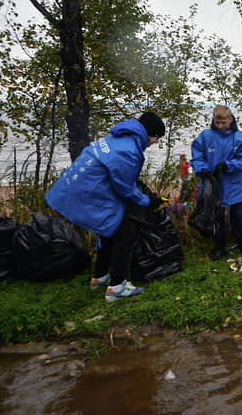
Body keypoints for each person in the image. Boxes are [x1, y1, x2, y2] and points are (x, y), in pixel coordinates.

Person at [45, 112, 166, 301]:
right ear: (150, 133)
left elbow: (120, 176)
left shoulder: (120, 138)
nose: (155, 142)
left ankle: (100, 277)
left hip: (81, 186)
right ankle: (116, 287)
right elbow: (125, 189)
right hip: (88, 190)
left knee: (109, 228)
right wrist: (148, 201)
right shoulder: (129, 150)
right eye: (157, 138)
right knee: (126, 230)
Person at [191, 105, 242, 261]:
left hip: (234, 183)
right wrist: (202, 170)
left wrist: (227, 165)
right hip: (213, 184)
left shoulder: (240, 137)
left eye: (223, 123)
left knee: (238, 216)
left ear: (230, 120)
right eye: (217, 123)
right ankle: (219, 248)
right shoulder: (206, 136)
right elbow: (197, 156)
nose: (220, 126)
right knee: (216, 218)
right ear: (213, 120)